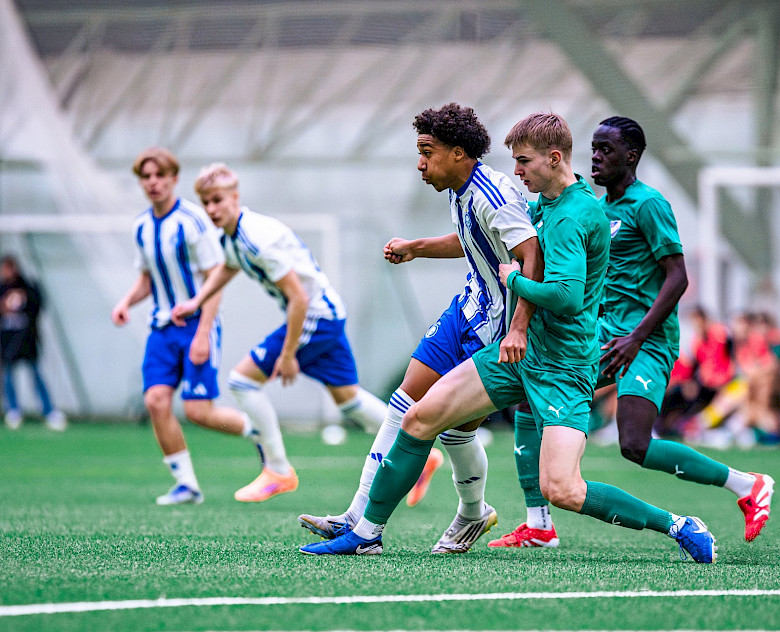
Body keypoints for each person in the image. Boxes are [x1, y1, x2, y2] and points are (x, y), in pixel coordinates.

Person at [301, 112, 717, 563]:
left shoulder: (576, 215)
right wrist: (421, 249)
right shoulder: (548, 203)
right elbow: (484, 238)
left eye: (523, 161)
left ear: (553, 158)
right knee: (418, 418)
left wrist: (513, 280)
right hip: (520, 355)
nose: (516, 171)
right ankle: (366, 532)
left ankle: (678, 524)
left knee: (563, 489)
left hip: (564, 367)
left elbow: (567, 297)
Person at [489, 117, 773, 550]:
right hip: (607, 334)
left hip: (646, 340)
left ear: (631, 156)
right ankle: (538, 524)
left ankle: (747, 485)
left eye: (606, 149)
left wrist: (637, 337)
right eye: (593, 148)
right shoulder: (594, 208)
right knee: (532, 394)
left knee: (635, 444)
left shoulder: (649, 204)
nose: (596, 157)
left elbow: (678, 278)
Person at [296, 103, 541, 554]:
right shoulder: (460, 188)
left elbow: (532, 255)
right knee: (404, 400)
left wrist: (519, 328)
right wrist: (416, 247)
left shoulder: (493, 194)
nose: (420, 164)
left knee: (454, 430)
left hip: (494, 327)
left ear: (458, 153)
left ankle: (471, 512)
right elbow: (472, 239)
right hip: (466, 308)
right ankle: (357, 516)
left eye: (427, 153)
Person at [172, 163, 389, 502]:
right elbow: (228, 266)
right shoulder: (233, 236)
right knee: (349, 400)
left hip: (316, 315)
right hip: (328, 313)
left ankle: (278, 470)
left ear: (234, 197)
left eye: (217, 200)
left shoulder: (256, 239)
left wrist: (288, 356)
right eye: (206, 202)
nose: (212, 209)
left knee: (242, 381)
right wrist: (197, 301)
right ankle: (416, 454)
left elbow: (298, 298)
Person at [111, 147, 262, 505]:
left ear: (174, 179)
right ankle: (186, 484)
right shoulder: (141, 226)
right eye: (146, 177)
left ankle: (257, 431)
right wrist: (125, 302)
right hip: (161, 329)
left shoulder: (192, 221)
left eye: (159, 175)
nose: (153, 183)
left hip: (196, 325)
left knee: (198, 412)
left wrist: (203, 334)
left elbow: (215, 280)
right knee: (155, 400)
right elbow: (147, 278)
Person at [1, 255, 66, 431]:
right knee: (8, 378)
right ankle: (13, 410)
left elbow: (39, 304)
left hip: (27, 342)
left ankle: (49, 411)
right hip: (7, 344)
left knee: (36, 376)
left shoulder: (28, 287)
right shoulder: (1, 290)